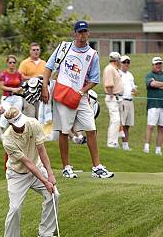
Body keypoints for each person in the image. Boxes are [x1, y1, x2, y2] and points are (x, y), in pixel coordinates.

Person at [41, 20, 114, 179]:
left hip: (80, 96)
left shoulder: (92, 54)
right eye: (79, 32)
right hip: (62, 93)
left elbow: (94, 80)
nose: (82, 35)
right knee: (64, 131)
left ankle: (97, 167)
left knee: (91, 128)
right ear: (75, 33)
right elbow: (49, 67)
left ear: (88, 33)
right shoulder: (63, 48)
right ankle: (66, 167)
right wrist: (44, 86)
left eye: (85, 32)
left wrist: (81, 92)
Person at [0, 106, 58, 237]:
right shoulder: (7, 139)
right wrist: (45, 181)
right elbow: (27, 163)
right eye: (18, 123)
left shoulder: (33, 123)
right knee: (15, 208)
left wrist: (50, 174)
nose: (22, 125)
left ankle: (45, 233)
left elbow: (42, 151)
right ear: (11, 124)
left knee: (54, 195)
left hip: (37, 167)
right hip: (17, 174)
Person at [144, 56, 163, 155]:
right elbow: (152, 84)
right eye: (156, 64)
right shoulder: (149, 75)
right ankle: (147, 147)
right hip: (153, 104)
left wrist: (158, 84)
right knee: (150, 126)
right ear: (153, 65)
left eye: (160, 64)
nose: (158, 66)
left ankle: (158, 149)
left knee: (161, 127)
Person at [18, 43, 47, 118]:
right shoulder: (24, 63)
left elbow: (47, 76)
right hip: (29, 93)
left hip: (41, 92)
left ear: (40, 51)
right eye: (33, 50)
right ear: (30, 51)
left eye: (37, 50)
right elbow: (20, 76)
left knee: (40, 115)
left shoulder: (44, 63)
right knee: (30, 114)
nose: (36, 52)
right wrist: (34, 79)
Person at [103, 51, 123, 148]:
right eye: (119, 60)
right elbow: (109, 85)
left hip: (115, 97)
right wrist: (112, 96)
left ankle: (113, 141)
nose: (120, 62)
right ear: (116, 60)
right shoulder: (110, 69)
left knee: (115, 120)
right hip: (112, 97)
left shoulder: (114, 69)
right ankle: (111, 142)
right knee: (116, 120)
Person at [0, 55, 24, 128]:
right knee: (6, 113)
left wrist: (19, 89)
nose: (12, 64)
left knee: (17, 115)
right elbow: (2, 86)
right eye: (10, 62)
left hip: (17, 97)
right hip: (7, 97)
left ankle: (15, 132)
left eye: (14, 62)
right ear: (7, 63)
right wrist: (12, 89)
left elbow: (21, 85)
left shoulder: (18, 74)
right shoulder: (3, 74)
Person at [119, 55, 136, 151]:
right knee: (121, 123)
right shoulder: (118, 73)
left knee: (128, 124)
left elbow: (133, 86)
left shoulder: (130, 75)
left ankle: (125, 144)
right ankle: (115, 142)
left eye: (128, 62)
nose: (126, 64)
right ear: (120, 63)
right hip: (122, 100)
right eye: (124, 62)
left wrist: (134, 90)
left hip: (130, 100)